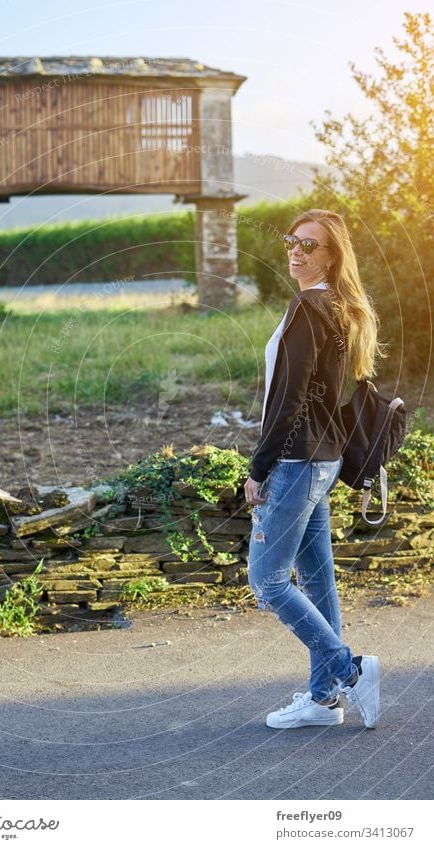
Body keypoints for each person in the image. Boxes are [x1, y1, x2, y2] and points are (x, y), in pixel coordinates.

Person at [244, 209, 386, 730]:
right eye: (292, 241)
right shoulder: (338, 307)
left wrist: (260, 467)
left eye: (311, 246)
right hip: (321, 460)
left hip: (296, 460)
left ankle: (349, 670)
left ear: (331, 256)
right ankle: (324, 700)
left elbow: (290, 398)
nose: (296, 252)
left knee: (266, 580)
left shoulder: (309, 307)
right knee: (318, 581)